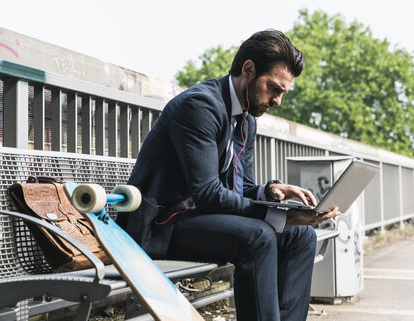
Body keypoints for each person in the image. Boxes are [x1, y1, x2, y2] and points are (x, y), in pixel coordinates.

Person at [116, 29, 340, 321]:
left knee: (301, 236)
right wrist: (278, 217)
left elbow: (240, 186)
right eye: (273, 88)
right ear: (248, 70)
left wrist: (270, 193)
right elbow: (209, 194)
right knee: (259, 236)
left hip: (198, 218)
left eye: (283, 92)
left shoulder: (247, 120)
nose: (277, 101)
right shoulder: (201, 106)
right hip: (162, 224)